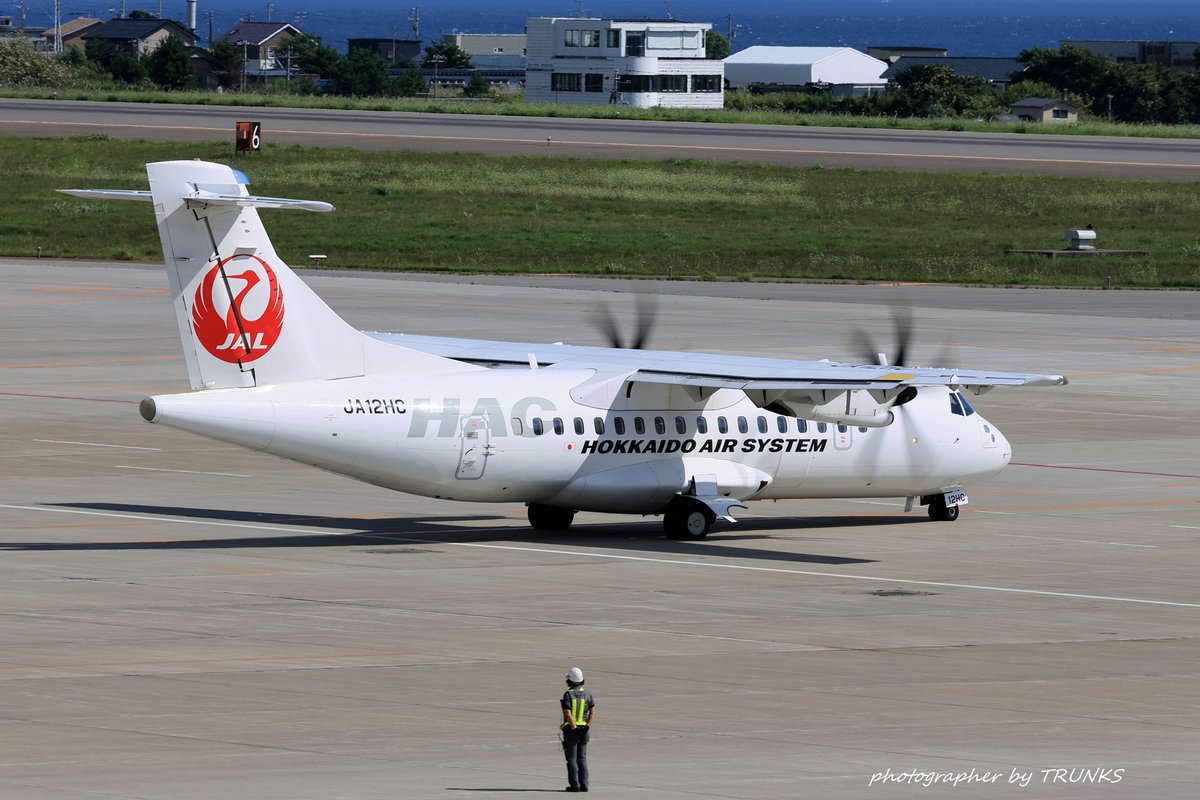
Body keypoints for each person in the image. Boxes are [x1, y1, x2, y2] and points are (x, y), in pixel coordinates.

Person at [560, 666, 595, 792]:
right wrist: (586, 727)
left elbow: (568, 714)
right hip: (584, 730)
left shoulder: (568, 695)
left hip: (571, 731)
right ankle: (584, 785)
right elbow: (592, 712)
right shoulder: (588, 694)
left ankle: (575, 785)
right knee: (582, 758)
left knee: (571, 759)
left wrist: (574, 727)